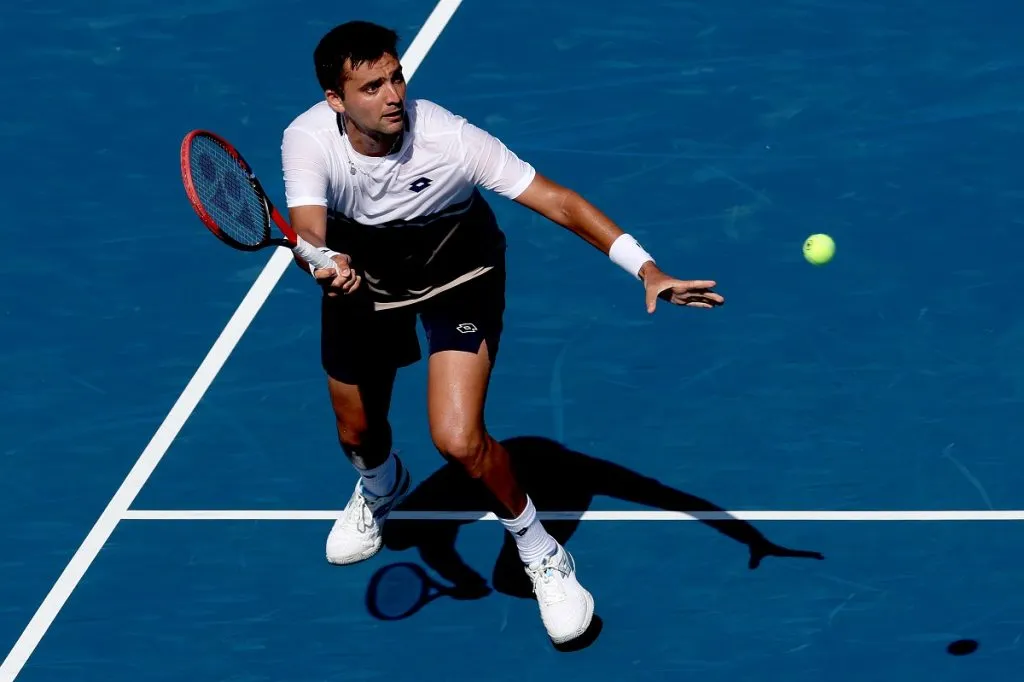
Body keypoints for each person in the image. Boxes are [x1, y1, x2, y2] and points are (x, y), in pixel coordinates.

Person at [280, 20, 725, 645]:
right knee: (356, 430)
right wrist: (323, 263)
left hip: (460, 273)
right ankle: (382, 486)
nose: (393, 95)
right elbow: (309, 229)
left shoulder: (449, 138)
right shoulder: (306, 140)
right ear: (336, 100)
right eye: (372, 86)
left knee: (458, 439)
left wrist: (647, 270)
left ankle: (540, 549)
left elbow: (560, 202)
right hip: (368, 281)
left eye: (397, 77)